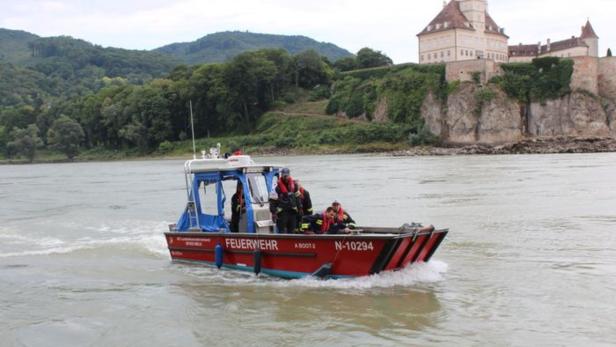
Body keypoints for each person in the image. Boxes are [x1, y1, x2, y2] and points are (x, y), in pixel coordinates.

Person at [275, 168, 302, 233]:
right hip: (282, 213)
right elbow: (273, 200)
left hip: (292, 212)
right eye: (284, 175)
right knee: (282, 230)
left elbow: (297, 198)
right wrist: (273, 212)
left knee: (292, 230)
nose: (286, 177)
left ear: (289, 175)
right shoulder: (277, 188)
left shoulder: (294, 186)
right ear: (282, 175)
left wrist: (300, 208)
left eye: (287, 176)